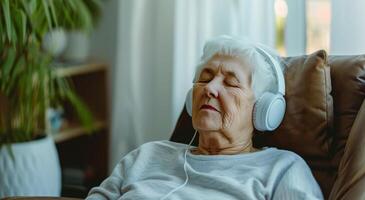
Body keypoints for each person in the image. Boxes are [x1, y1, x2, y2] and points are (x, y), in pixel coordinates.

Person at [86, 35, 324, 200]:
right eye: (205, 78)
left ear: (262, 108)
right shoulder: (146, 156)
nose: (210, 89)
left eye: (231, 82)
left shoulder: (281, 169)